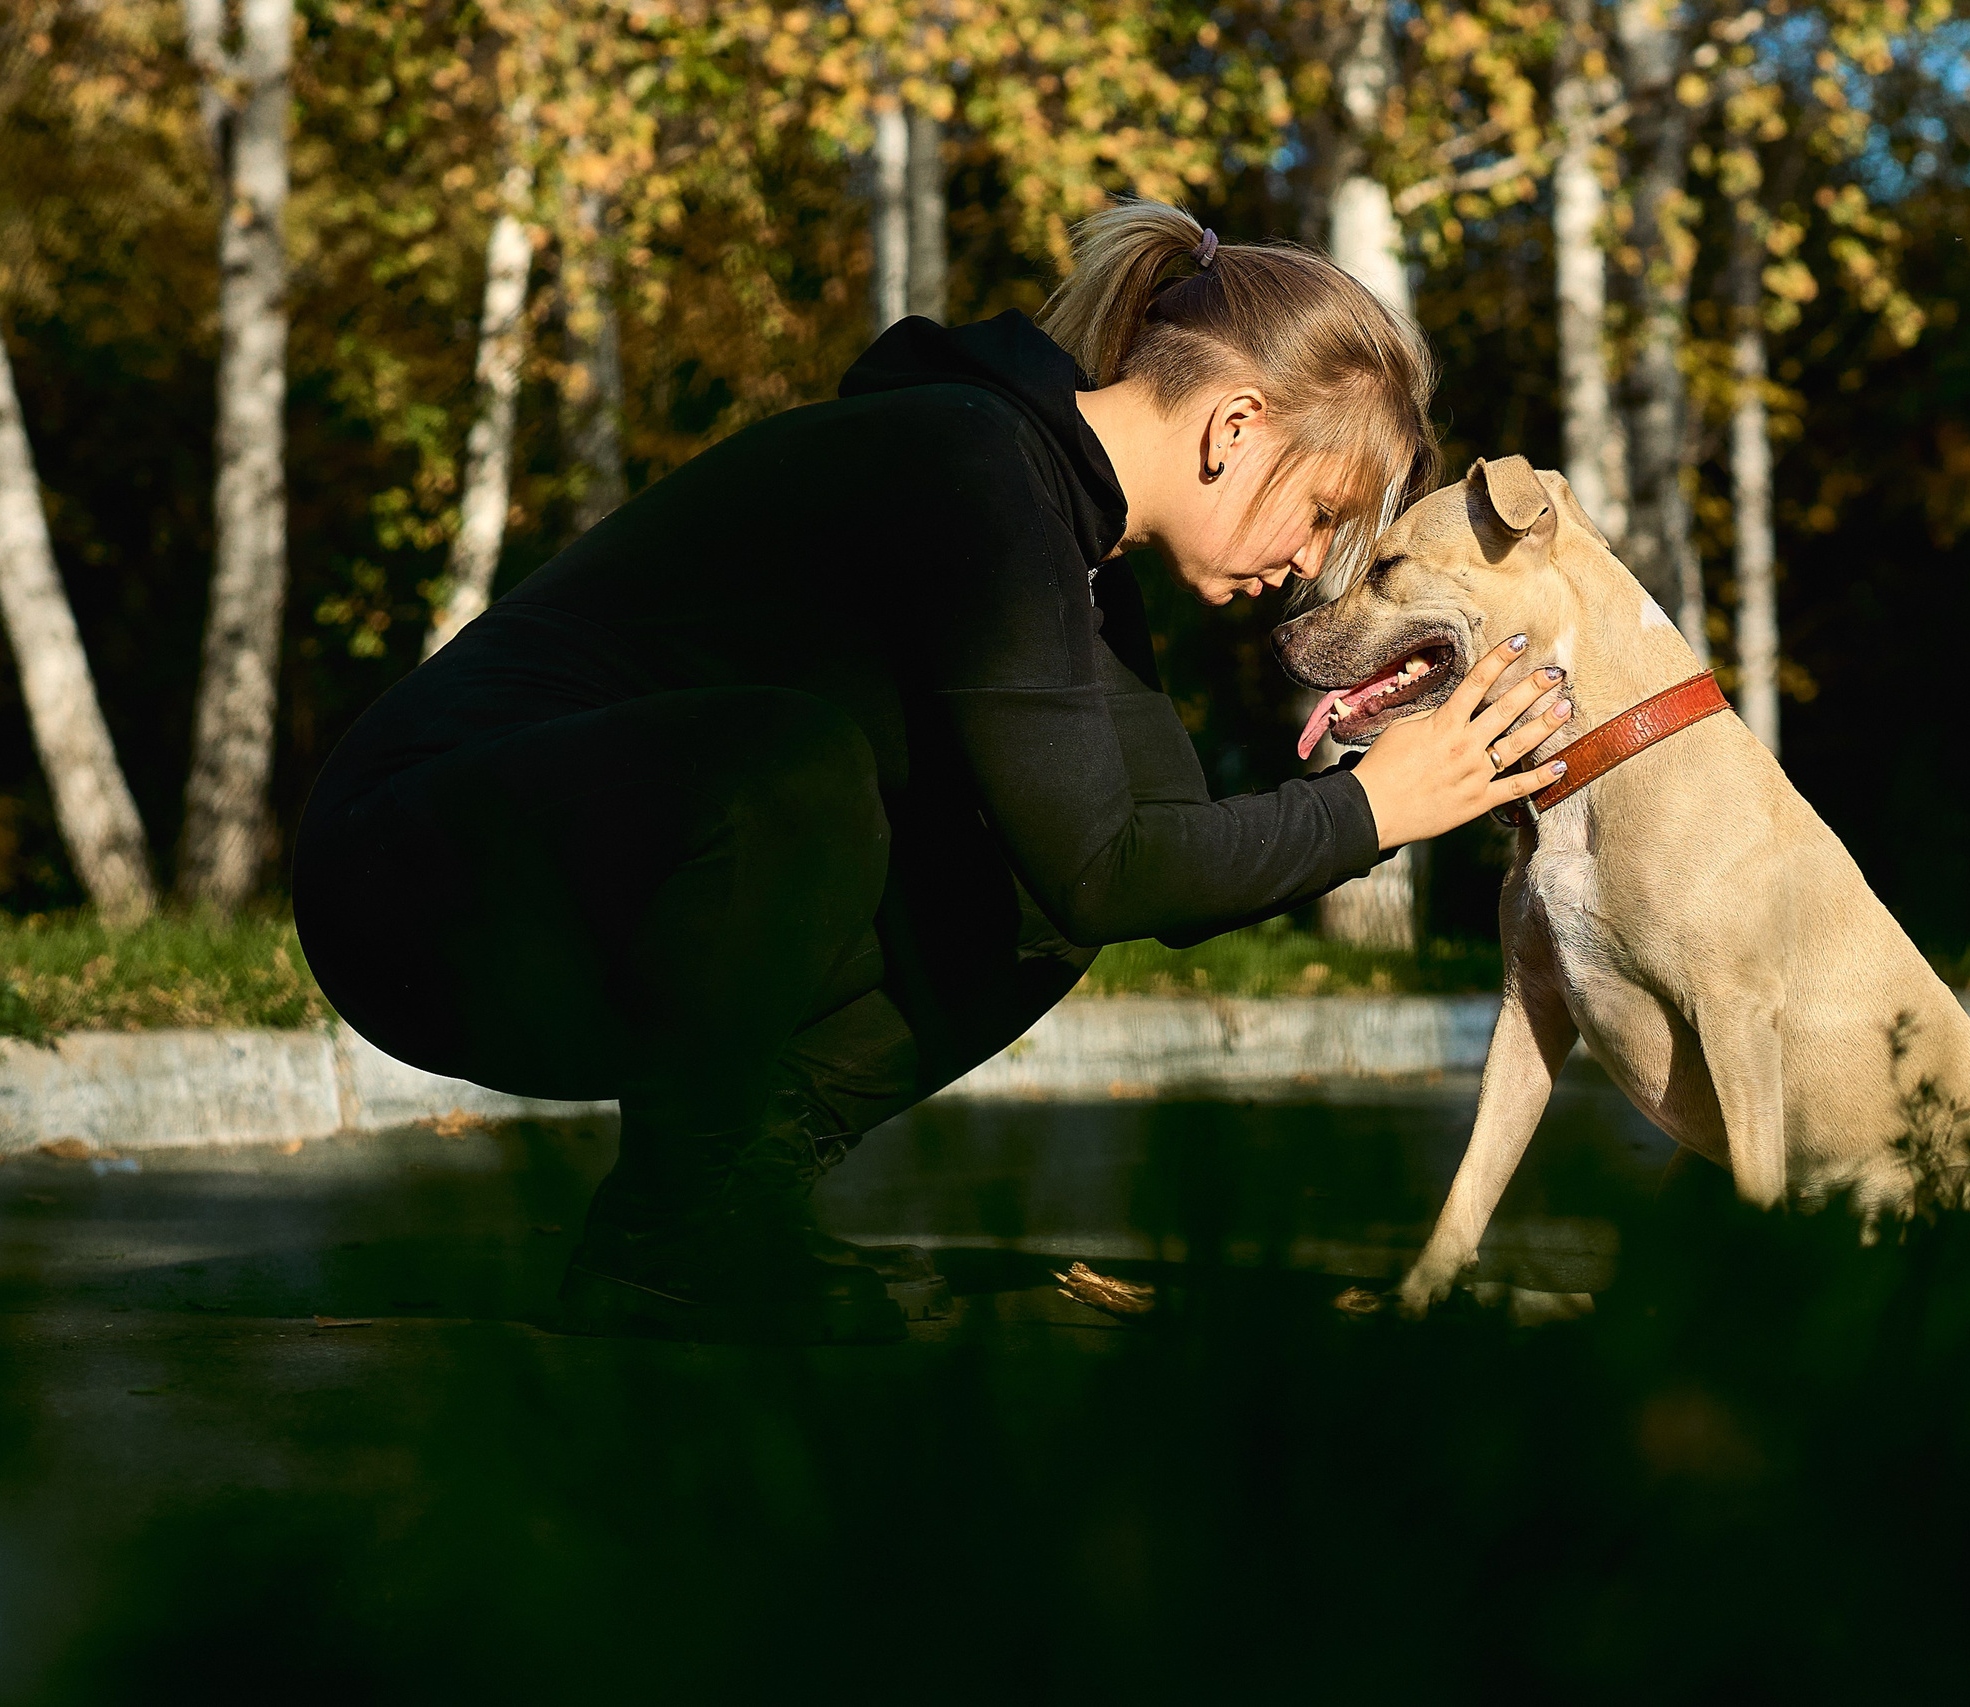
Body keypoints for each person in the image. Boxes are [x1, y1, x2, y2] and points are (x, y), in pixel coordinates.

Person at [292, 201, 1574, 1344]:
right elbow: (1110, 863)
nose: (1307, 563)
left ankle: (719, 1208)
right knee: (795, 771)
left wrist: (1393, 801)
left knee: (1035, 896)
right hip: (421, 883)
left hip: (586, 899)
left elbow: (1149, 874)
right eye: (1326, 512)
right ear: (1233, 427)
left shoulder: (1074, 554)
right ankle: (676, 1234)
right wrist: (1371, 806)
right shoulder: (967, 467)